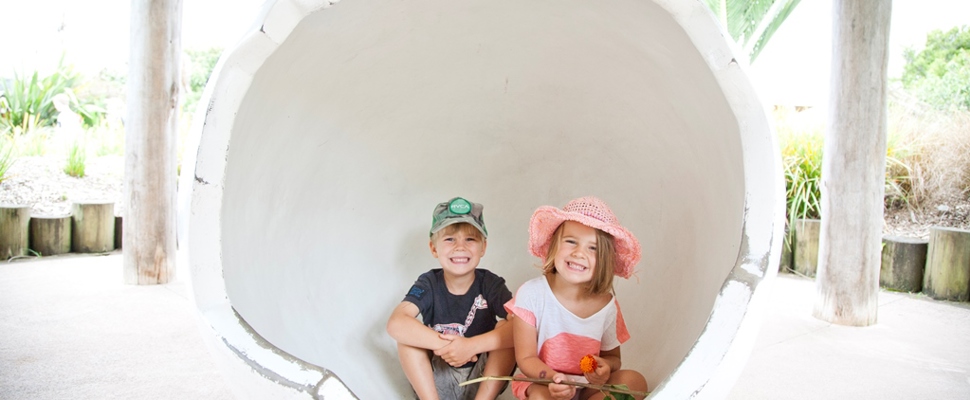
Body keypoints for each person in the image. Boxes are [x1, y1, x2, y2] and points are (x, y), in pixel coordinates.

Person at [505, 196, 648, 400]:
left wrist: (606, 367)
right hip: (544, 382)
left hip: (586, 386)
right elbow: (526, 359)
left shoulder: (607, 305)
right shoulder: (532, 294)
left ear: (605, 260)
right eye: (571, 241)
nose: (579, 253)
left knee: (634, 381)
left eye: (593, 248)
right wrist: (554, 379)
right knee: (539, 397)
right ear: (554, 246)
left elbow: (613, 358)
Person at [387, 197, 517, 400]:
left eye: (470, 239)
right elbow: (396, 323)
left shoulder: (491, 284)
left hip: (480, 377)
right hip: (437, 380)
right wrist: (447, 346)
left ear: (483, 247)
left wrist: (471, 346)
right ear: (433, 248)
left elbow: (522, 327)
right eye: (449, 239)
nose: (460, 247)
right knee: (407, 337)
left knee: (508, 329)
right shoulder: (428, 283)